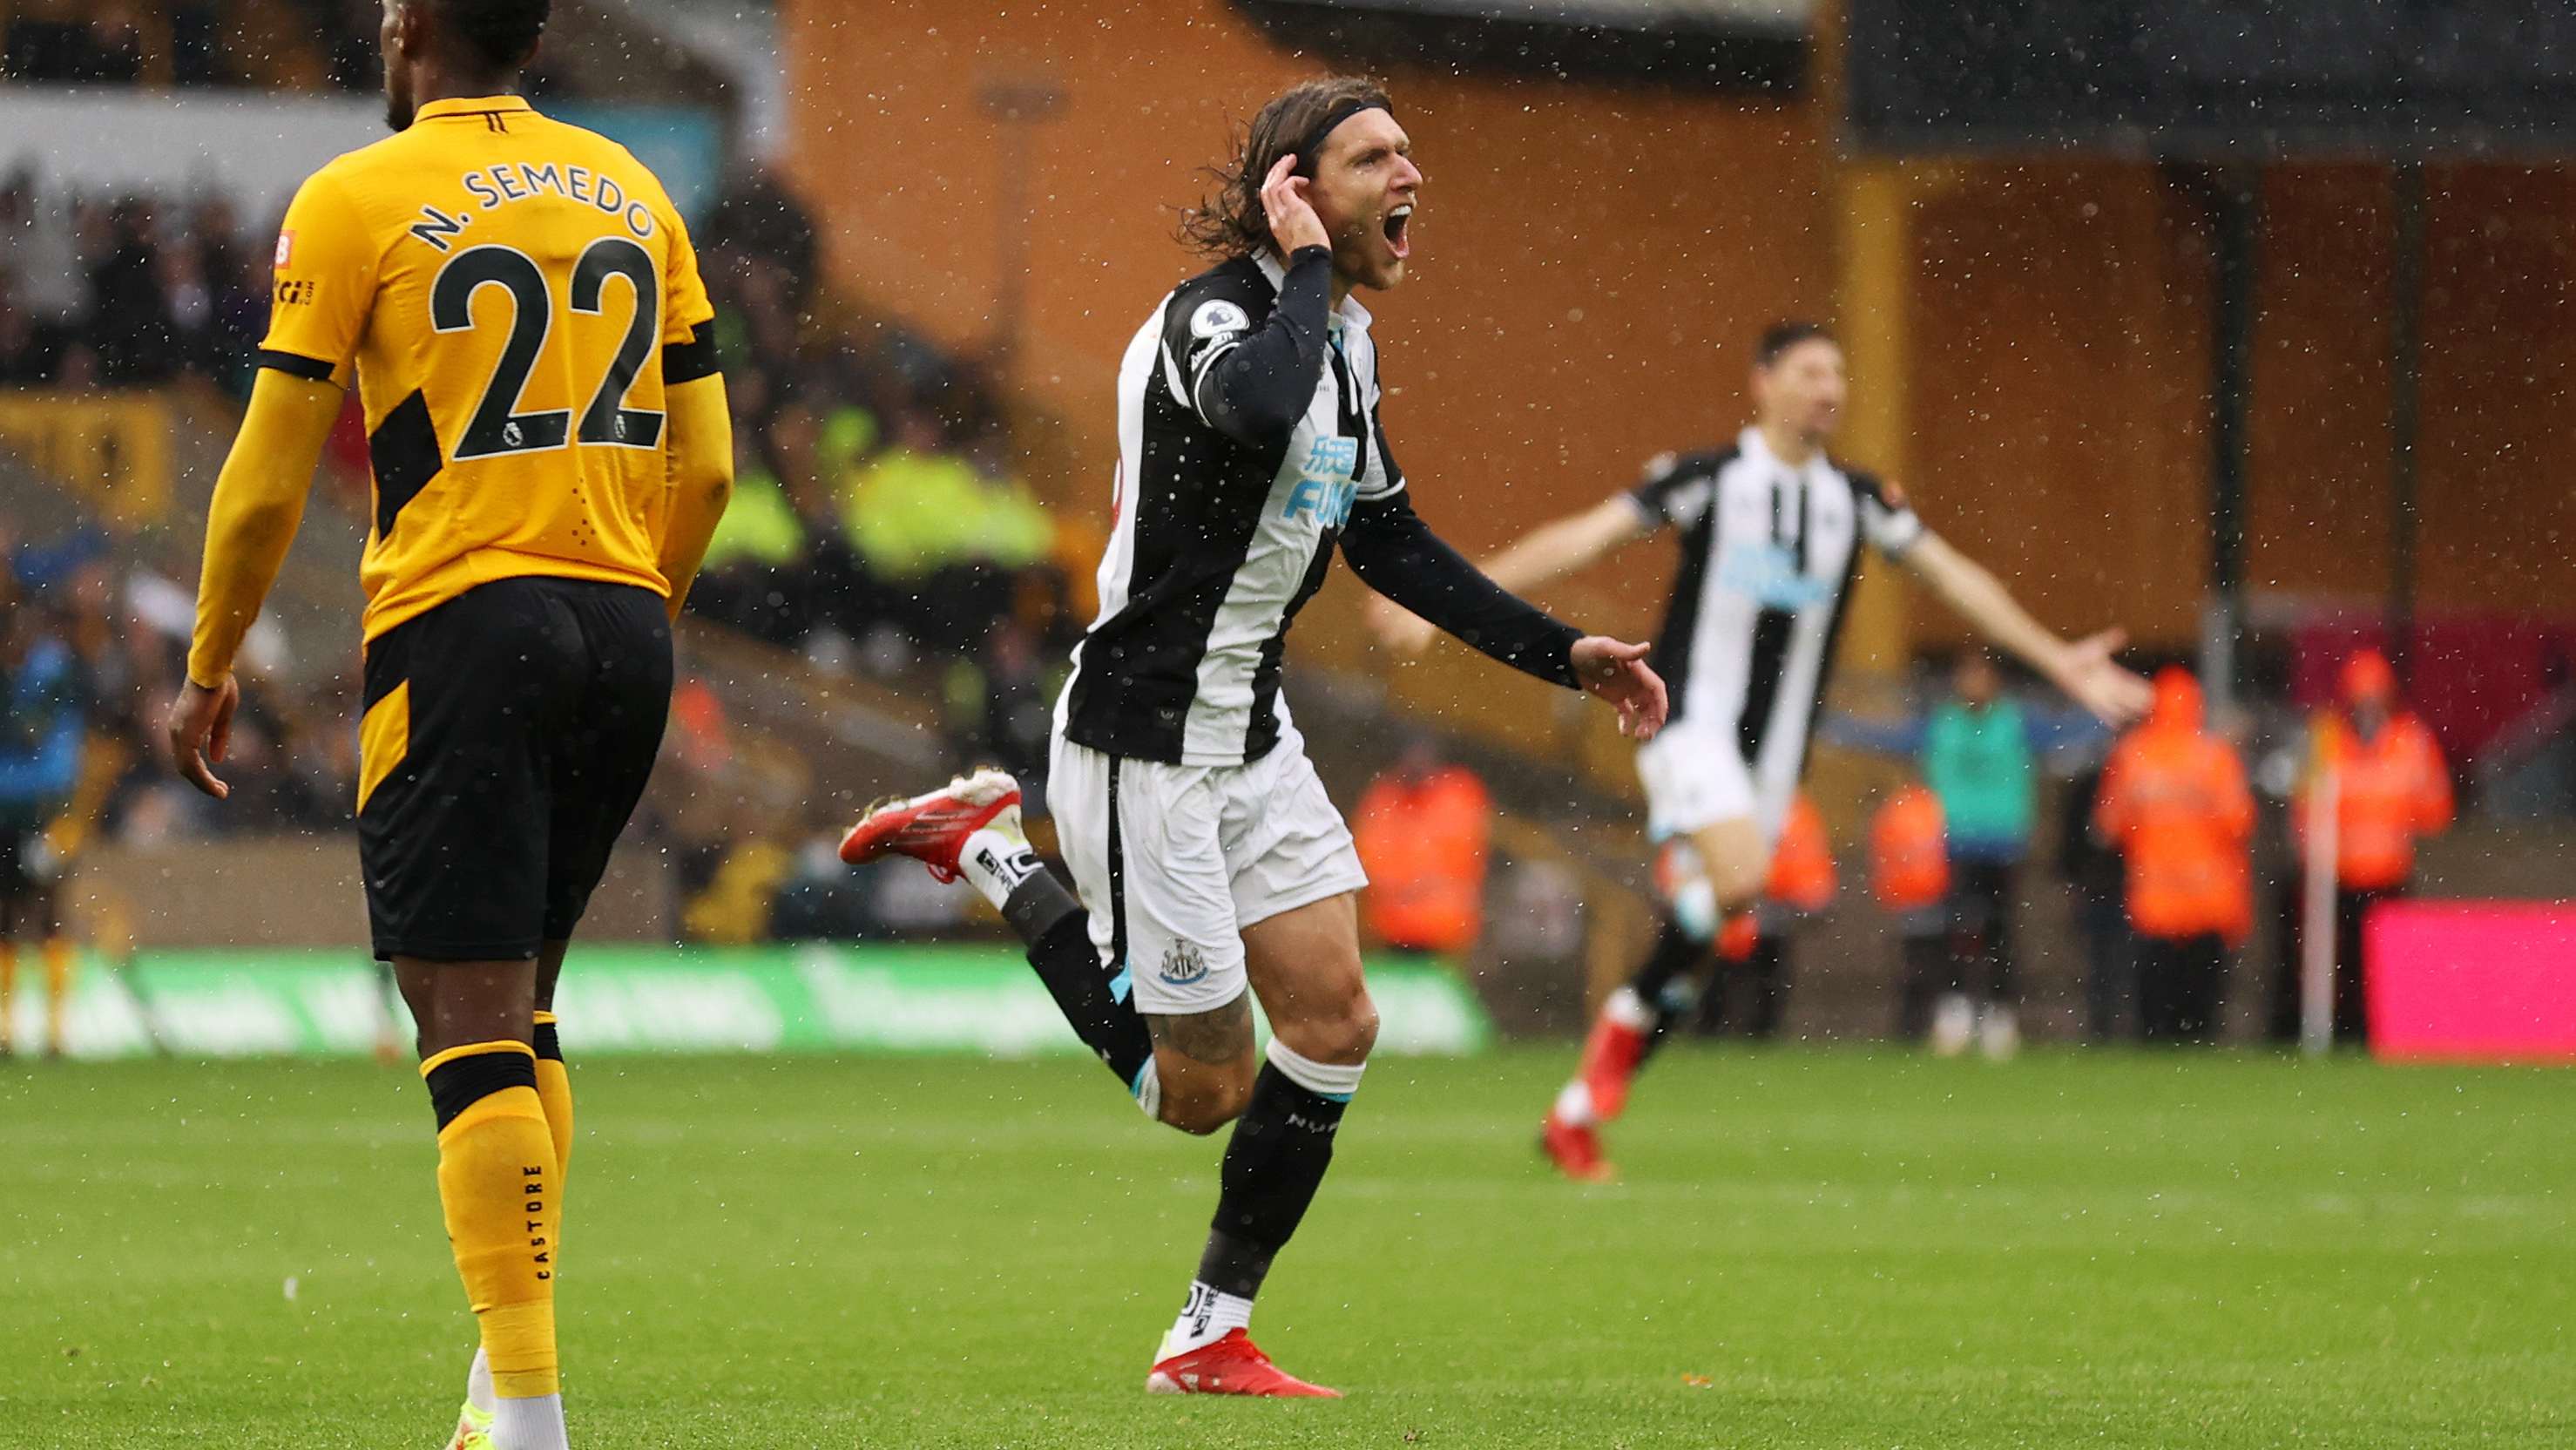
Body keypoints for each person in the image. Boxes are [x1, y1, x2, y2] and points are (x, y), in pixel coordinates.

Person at [840, 76, 1667, 1398]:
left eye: (1409, 155)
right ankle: (997, 853)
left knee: (1336, 1020)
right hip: (1142, 740)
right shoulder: (1216, 318)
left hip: (1252, 732)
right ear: (1294, 188)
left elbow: (1388, 539)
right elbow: (1256, 409)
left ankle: (1207, 1332)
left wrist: (1558, 653)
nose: (1411, 178)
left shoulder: (1336, 339)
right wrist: (1293, 264)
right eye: (1373, 158)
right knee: (1197, 1094)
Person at [161, 4, 733, 1447]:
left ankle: (531, 1416)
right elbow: (710, 465)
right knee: (526, 1001)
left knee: (463, 1021)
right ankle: (498, 1387)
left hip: (466, 620)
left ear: (408, 26)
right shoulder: (632, 186)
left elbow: (269, 467)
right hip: (625, 620)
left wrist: (212, 655)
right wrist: (628, 606)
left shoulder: (359, 195)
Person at [1372, 321, 2150, 1179]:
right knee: (1740, 880)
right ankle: (1615, 1042)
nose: (1829, 387)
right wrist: (1448, 601)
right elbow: (1581, 538)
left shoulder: (1856, 501)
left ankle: (1580, 1106)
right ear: (1763, 382)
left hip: (1771, 758)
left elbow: (1953, 574)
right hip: (1684, 723)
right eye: (1811, 370)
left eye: (1839, 373)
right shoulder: (1708, 481)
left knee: (1710, 921)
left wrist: (2054, 655)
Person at [1826, 652, 2105, 1057]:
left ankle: (1998, 1014)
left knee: (2000, 932)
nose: (1971, 684)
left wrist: (2110, 710)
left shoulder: (2016, 722)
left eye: (1979, 676)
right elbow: (1887, 738)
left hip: (2003, 843)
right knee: (1956, 931)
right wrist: (1832, 725)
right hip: (1954, 844)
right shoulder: (1944, 724)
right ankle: (1955, 1011)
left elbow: (2069, 734)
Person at [2270, 647, 2454, 1045]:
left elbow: (2435, 809)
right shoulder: (2326, 739)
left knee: (2385, 965)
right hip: (2335, 875)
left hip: (2389, 872)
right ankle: (2333, 1032)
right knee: (2330, 962)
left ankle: (2380, 1033)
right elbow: (2303, 805)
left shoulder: (2411, 741)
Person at [2092, 668, 2254, 1043]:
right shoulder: (2215, 755)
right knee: (2203, 998)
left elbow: (2111, 824)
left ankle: (2157, 1051)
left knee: (2155, 997)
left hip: (2155, 895)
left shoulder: (2133, 754)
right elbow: (2240, 821)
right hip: (2208, 894)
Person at [0, 595, 88, 1060]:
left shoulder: (55, 674)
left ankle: (56, 1032)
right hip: (8, 809)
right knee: (7, 919)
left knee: (49, 912)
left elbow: (38, 732)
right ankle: (7, 1030)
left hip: (46, 805)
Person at [1694, 789, 1833, 1040]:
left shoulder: (1789, 811)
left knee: (1762, 972)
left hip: (1768, 903)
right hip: (1740, 901)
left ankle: (1753, 1030)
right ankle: (1716, 1028)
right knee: (1726, 971)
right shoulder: (1789, 811)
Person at [1352, 735, 1493, 955]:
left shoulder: (1458, 796)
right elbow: (1369, 857)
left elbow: (1463, 859)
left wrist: (1407, 887)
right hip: (1390, 933)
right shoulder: (1385, 797)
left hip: (1444, 936)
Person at [1871, 779, 1951, 1041]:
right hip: (1928, 897)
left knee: (1920, 966)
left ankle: (1916, 1026)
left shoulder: (1903, 810)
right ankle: (1917, 1026)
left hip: (1920, 898)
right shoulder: (1930, 809)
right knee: (1923, 966)